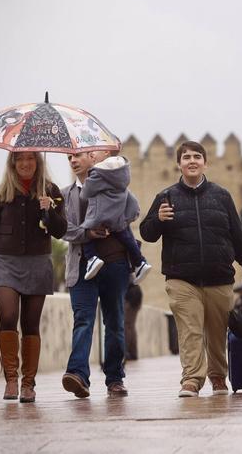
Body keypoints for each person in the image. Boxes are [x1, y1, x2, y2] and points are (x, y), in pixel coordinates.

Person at [140, 140, 242, 398]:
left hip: (219, 278)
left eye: (197, 156)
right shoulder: (165, 196)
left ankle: (218, 377)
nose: (192, 161)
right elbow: (146, 233)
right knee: (190, 330)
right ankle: (192, 379)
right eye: (186, 157)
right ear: (179, 164)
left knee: (217, 334)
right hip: (182, 278)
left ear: (206, 162)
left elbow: (237, 236)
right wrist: (158, 220)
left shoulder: (222, 196)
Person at [0, 151, 66, 403]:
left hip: (38, 264)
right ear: (13, 163)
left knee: (30, 324)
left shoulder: (51, 190)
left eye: (30, 158)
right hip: (4, 263)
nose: (25, 163)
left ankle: (28, 384)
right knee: (7, 316)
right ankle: (11, 379)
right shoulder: (0, 193)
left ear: (38, 162)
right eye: (20, 159)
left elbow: (61, 231)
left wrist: (49, 210)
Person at [60, 151, 131, 398]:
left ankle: (115, 378)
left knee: (114, 322)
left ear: (93, 158)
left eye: (78, 155)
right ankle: (78, 374)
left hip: (114, 263)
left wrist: (112, 221)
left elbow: (133, 212)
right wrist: (87, 233)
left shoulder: (115, 185)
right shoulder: (64, 194)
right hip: (80, 266)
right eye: (69, 157)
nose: (73, 160)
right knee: (83, 319)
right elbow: (63, 230)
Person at [80, 149, 151, 283]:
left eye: (94, 152)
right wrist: (132, 215)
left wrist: (89, 176)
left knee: (85, 230)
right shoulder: (122, 173)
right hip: (118, 218)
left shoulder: (99, 174)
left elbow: (84, 194)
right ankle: (140, 262)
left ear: (106, 153)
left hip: (100, 216)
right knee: (126, 236)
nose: (91, 155)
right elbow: (132, 200)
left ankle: (92, 259)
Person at [123, 280, 142, 361]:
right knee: (130, 326)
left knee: (127, 326)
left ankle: (126, 352)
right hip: (135, 294)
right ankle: (132, 353)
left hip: (130, 295)